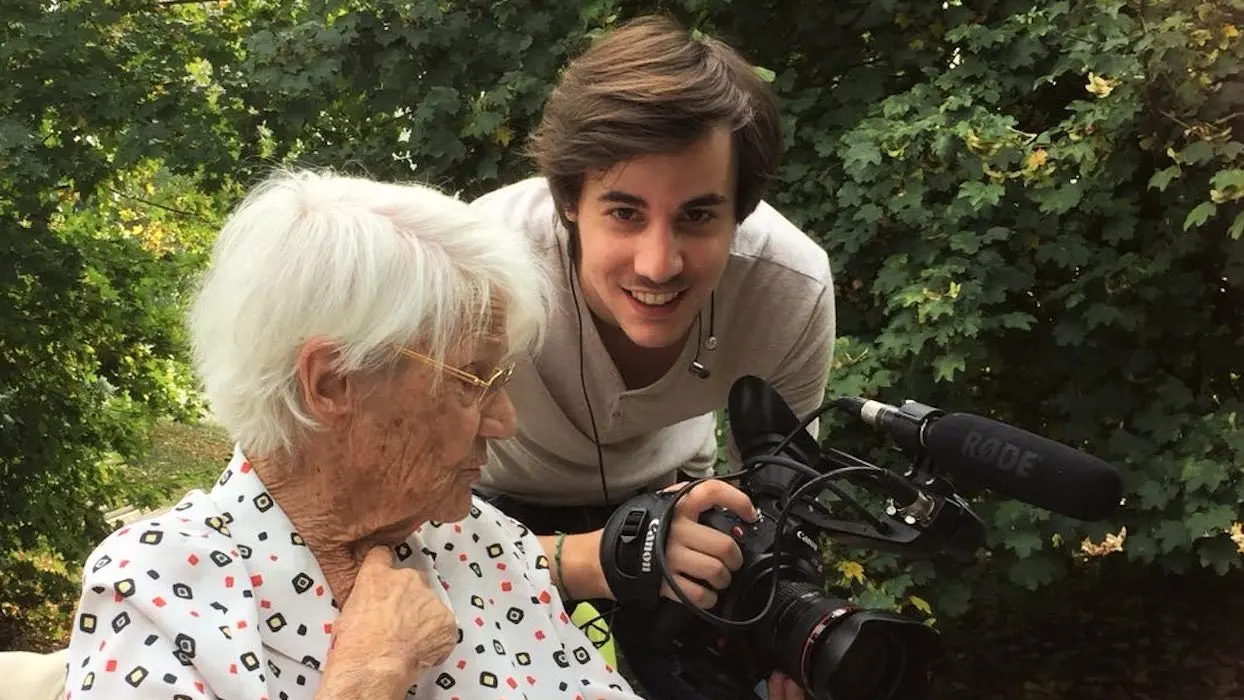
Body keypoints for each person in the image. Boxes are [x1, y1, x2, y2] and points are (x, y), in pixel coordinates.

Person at [61, 169, 648, 700]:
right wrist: (371, 673)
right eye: (474, 380)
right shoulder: (157, 588)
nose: (504, 421)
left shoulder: (478, 536)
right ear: (333, 383)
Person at [470, 14, 833, 700]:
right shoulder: (481, 266)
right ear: (570, 201)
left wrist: (782, 634)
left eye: (698, 215)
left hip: (671, 500)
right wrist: (581, 557)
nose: (658, 264)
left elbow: (785, 488)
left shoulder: (794, 287)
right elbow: (402, 520)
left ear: (741, 212)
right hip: (482, 500)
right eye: (625, 213)